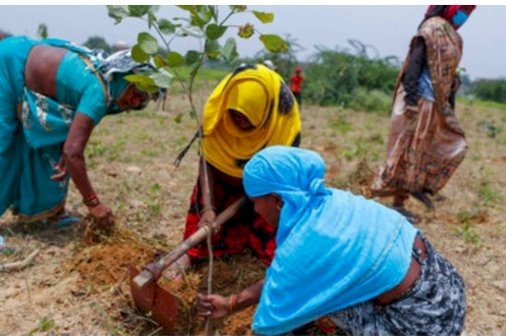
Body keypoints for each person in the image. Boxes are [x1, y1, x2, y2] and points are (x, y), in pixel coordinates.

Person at [196, 146, 466, 336]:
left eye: (256, 202)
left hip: (421, 325)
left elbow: (268, 325)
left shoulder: (304, 245)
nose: (255, 211)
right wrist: (232, 303)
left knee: (312, 308)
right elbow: (289, 278)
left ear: (278, 201)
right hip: (448, 292)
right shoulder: (331, 201)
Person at [0, 36, 161, 251]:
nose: (135, 102)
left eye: (143, 101)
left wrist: (69, 150)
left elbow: (72, 143)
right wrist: (93, 203)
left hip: (38, 77)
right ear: (125, 77)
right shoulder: (99, 91)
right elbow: (74, 153)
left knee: (55, 146)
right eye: (137, 93)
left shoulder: (112, 90)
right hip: (7, 63)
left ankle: (50, 212)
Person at [166, 63, 301, 278]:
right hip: (221, 183)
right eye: (235, 115)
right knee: (201, 224)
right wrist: (208, 207)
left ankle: (265, 257)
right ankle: (188, 255)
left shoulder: (282, 122)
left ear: (264, 112)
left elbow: (281, 175)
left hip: (264, 189)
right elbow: (207, 158)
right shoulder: (218, 112)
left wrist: (255, 195)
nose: (239, 122)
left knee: (273, 229)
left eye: (247, 117)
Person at [371, 5, 476, 215]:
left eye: (467, 11)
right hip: (418, 100)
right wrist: (410, 99)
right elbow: (414, 64)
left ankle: (419, 187)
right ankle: (398, 203)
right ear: (450, 8)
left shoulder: (455, 38)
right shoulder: (430, 30)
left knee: (449, 146)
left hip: (436, 104)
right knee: (406, 152)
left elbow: (448, 74)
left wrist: (450, 96)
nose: (463, 15)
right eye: (461, 9)